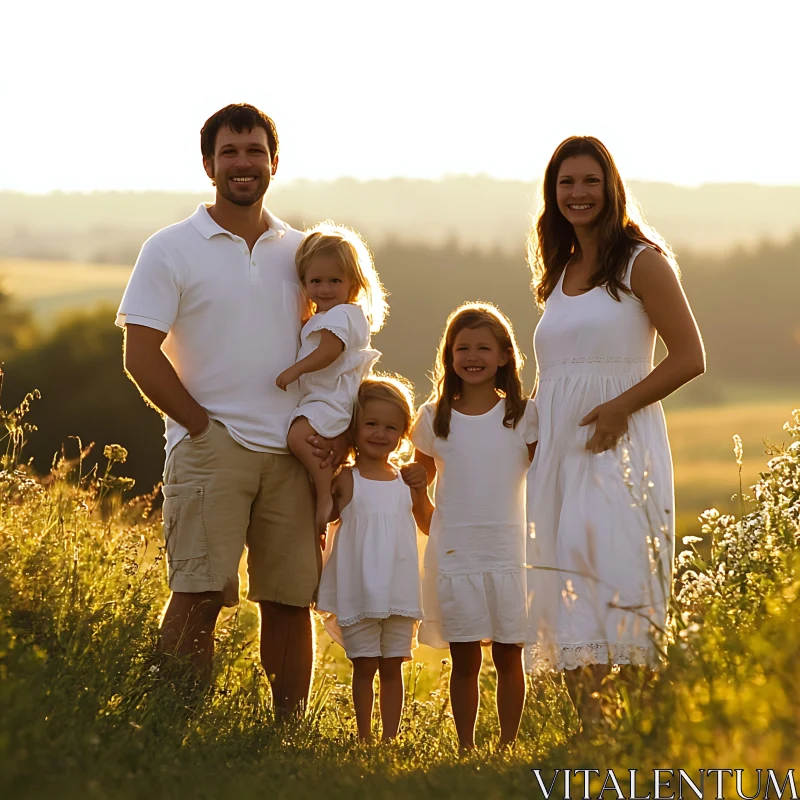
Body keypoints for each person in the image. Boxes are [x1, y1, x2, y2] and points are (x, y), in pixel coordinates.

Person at [117, 103, 342, 716]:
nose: (242, 164)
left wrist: (331, 437)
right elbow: (140, 354)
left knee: (292, 602)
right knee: (198, 594)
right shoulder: (170, 248)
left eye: (254, 152)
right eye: (230, 153)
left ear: (274, 162)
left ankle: (285, 739)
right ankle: (172, 733)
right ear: (209, 164)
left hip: (293, 452)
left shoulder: (301, 253)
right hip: (209, 447)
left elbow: (338, 348)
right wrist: (197, 425)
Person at [524, 136, 705, 718]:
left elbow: (689, 356)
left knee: (613, 581)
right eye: (566, 183)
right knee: (567, 580)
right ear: (553, 194)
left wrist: (619, 408)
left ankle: (631, 735)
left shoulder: (641, 261)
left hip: (618, 445)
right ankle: (590, 735)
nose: (578, 194)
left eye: (589, 182)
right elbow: (555, 373)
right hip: (559, 449)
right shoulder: (559, 270)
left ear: (611, 187)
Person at [403, 303, 539, 751]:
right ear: (449, 356)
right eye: (462, 347)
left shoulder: (522, 416)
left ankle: (507, 745)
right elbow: (423, 512)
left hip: (510, 554)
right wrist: (420, 492)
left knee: (508, 654)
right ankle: (466, 747)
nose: (472, 355)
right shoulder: (433, 418)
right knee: (464, 657)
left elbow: (546, 484)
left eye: (484, 346)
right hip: (455, 554)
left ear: (504, 356)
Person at [316, 376, 430, 743]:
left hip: (397, 591)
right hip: (360, 590)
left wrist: (422, 488)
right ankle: (365, 737)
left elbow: (427, 523)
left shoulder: (405, 481)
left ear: (403, 434)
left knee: (393, 666)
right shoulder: (346, 480)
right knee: (365, 667)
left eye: (391, 427)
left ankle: (389, 739)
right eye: (371, 424)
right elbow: (324, 516)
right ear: (353, 427)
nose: (380, 434)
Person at [276, 223, 386, 539]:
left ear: (354, 283)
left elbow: (329, 351)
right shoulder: (331, 316)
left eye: (334, 281)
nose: (324, 288)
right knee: (306, 440)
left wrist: (295, 370)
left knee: (299, 437)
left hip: (332, 397)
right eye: (316, 281)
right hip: (326, 396)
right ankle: (326, 488)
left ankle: (325, 492)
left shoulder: (342, 316)